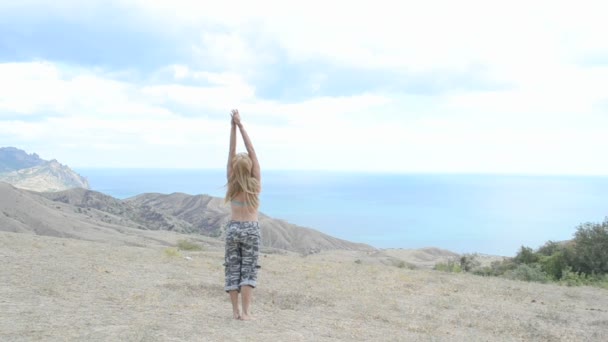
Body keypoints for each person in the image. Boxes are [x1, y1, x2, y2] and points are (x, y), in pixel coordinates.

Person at [224, 109, 262, 321]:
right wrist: (241, 126)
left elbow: (231, 153)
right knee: (248, 270)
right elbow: (253, 152)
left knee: (232, 268)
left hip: (233, 229)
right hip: (251, 229)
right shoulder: (255, 184)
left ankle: (235, 312)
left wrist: (232, 127)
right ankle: (246, 313)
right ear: (250, 168)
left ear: (233, 169)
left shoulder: (231, 183)